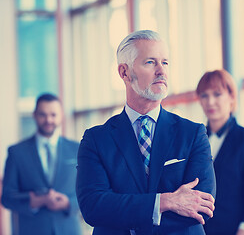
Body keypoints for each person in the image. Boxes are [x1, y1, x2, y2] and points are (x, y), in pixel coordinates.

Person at [76, 30, 216, 235]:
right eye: (150, 62)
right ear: (124, 72)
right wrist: (164, 202)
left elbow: (201, 206)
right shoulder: (96, 139)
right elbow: (94, 207)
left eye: (165, 62)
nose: (161, 71)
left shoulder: (193, 133)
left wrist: (126, 211)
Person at [1, 93, 82, 235]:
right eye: (43, 114)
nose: (48, 120)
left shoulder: (77, 149)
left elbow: (89, 191)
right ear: (34, 115)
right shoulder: (16, 152)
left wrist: (68, 203)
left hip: (68, 230)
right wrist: (35, 201)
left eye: (53, 114)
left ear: (61, 115)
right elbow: (7, 198)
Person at [196, 69, 244, 235]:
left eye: (217, 94)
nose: (210, 102)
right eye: (204, 95)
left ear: (232, 97)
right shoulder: (194, 138)